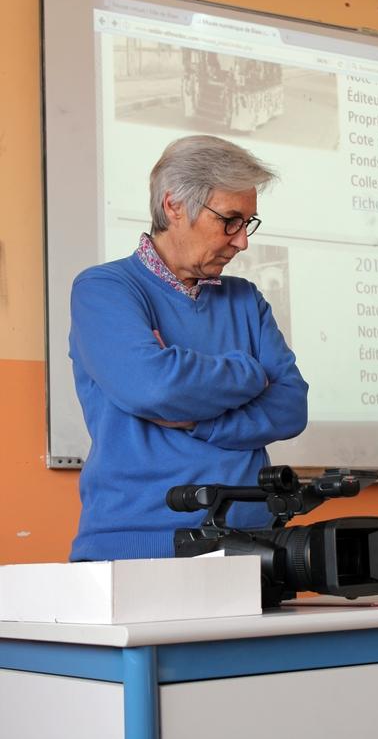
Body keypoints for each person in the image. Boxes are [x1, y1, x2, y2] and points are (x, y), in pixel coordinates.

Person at [69, 134, 308, 562]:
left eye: (248, 223)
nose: (242, 241)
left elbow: (291, 407)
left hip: (253, 545)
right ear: (174, 205)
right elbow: (155, 388)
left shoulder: (246, 299)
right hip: (139, 545)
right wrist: (250, 373)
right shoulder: (103, 289)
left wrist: (200, 423)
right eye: (230, 220)